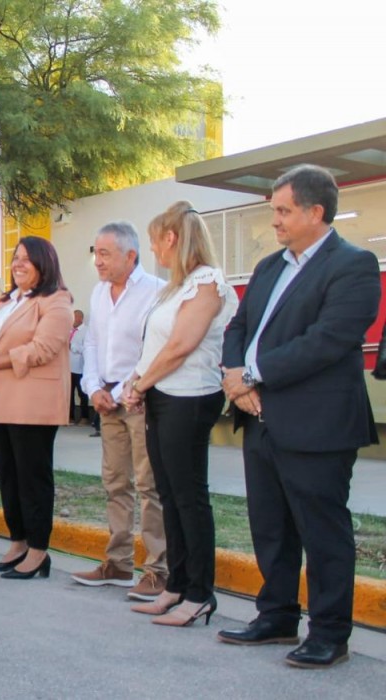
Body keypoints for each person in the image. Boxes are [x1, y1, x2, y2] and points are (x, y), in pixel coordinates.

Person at [217, 165, 380, 669]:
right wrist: (232, 375)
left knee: (322, 531)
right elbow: (238, 326)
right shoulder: (269, 267)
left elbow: (329, 340)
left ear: (316, 211)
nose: (276, 221)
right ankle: (277, 614)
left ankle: (330, 632)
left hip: (317, 423)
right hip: (259, 417)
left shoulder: (354, 264)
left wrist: (253, 374)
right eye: (275, 211)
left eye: (284, 211)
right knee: (270, 526)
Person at [120, 202, 238, 626]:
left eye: (155, 240)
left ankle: (200, 594)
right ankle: (176, 585)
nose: (154, 250)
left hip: (190, 397)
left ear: (171, 238)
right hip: (162, 396)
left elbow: (181, 346)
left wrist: (140, 383)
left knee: (189, 497)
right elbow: (156, 346)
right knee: (169, 495)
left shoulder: (207, 282)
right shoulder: (175, 287)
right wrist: (138, 381)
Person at [72, 221, 168, 601]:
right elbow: (92, 343)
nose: (98, 260)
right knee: (115, 483)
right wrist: (94, 387)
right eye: (96, 252)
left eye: (105, 253)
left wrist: (128, 386)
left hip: (140, 400)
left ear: (131, 255)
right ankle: (118, 563)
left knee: (149, 486)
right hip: (106, 401)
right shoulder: (98, 293)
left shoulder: (156, 292)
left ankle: (158, 569)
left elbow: (153, 348)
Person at [0, 238, 73, 577]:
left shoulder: (57, 300)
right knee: (8, 475)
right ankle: (18, 542)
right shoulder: (5, 300)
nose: (19, 264)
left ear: (45, 263)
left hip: (32, 401)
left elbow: (41, 348)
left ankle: (39, 551)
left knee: (32, 477)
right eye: (16, 258)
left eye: (28, 259)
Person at [69, 310, 91, 425]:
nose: (73, 319)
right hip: (68, 367)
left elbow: (86, 349)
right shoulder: (68, 330)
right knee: (69, 394)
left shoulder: (86, 331)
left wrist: (72, 346)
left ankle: (85, 417)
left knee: (82, 394)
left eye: (75, 317)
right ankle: (70, 417)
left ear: (80, 318)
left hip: (80, 368)